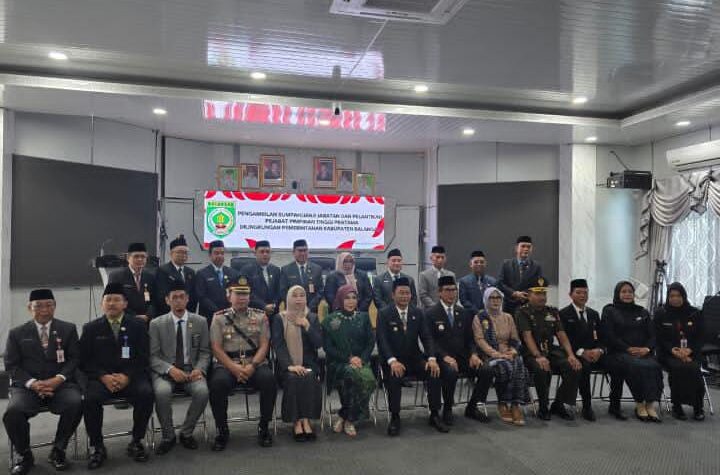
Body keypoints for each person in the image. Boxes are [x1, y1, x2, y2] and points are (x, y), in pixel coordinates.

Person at [3, 289, 82, 474]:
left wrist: (58, 379)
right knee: (13, 413)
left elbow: (75, 359)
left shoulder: (68, 329)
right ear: (29, 307)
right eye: (38, 306)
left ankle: (58, 450)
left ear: (55, 306)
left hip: (60, 385)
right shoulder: (17, 333)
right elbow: (11, 365)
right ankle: (25, 455)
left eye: (49, 305)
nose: (44, 310)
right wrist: (32, 383)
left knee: (76, 403)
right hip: (27, 388)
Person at [80, 283, 154, 469]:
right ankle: (97, 446)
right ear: (102, 304)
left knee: (146, 393)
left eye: (116, 300)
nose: (112, 303)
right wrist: (103, 376)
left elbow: (144, 357)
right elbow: (84, 361)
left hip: (131, 376)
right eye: (108, 300)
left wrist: (127, 376)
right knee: (90, 399)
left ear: (125, 304)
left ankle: (136, 441)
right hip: (101, 379)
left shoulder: (137, 325)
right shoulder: (91, 328)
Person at [208, 277, 276, 450]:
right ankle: (222, 430)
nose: (242, 298)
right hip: (227, 364)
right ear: (228, 296)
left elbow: (264, 345)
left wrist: (252, 366)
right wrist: (234, 368)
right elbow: (216, 348)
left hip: (255, 362)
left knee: (269, 380)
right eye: (238, 294)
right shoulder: (218, 318)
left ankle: (264, 427)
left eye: (245, 294)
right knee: (217, 384)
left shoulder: (260, 316)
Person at [376, 277, 446, 436]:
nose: (404, 296)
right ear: (393, 295)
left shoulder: (418, 312)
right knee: (394, 376)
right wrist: (392, 361)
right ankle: (395, 417)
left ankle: (435, 414)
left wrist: (432, 358)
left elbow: (427, 337)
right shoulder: (384, 313)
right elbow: (382, 340)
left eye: (407, 293)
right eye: (401, 293)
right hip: (393, 360)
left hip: (414, 359)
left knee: (434, 371)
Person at [149, 281, 211, 454]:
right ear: (167, 300)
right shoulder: (156, 324)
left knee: (202, 392)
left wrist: (200, 369)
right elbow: (152, 356)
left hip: (191, 370)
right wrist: (170, 370)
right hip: (165, 372)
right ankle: (168, 436)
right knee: (162, 393)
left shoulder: (200, 321)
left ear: (188, 299)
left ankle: (186, 432)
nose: (178, 300)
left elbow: (205, 352)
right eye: (174, 297)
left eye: (181, 297)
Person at [425, 276, 492, 424]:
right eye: (447, 290)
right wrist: (444, 356)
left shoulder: (463, 312)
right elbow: (429, 341)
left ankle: (472, 407)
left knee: (486, 370)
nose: (452, 293)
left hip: (462, 356)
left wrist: (473, 354)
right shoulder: (430, 313)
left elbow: (470, 339)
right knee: (450, 372)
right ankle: (448, 408)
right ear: (439, 293)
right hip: (442, 357)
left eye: (454, 290)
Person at [515, 277, 581, 421]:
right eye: (538, 294)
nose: (542, 297)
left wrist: (571, 355)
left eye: (544, 293)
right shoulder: (523, 312)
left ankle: (558, 404)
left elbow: (562, 335)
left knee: (574, 366)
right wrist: (538, 356)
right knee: (542, 369)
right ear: (528, 295)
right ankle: (543, 407)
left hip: (550, 350)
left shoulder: (552, 311)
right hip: (531, 352)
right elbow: (527, 336)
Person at [602, 280, 664, 423]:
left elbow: (653, 335)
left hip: (643, 352)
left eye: (630, 292)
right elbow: (609, 336)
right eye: (623, 292)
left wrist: (646, 349)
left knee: (654, 366)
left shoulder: (642, 312)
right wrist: (627, 348)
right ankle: (640, 403)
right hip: (618, 352)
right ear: (617, 294)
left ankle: (650, 404)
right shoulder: (610, 310)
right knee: (636, 365)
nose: (627, 294)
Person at [322, 285, 376, 437]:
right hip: (338, 363)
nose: (351, 301)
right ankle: (350, 419)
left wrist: (361, 359)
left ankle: (344, 416)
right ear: (340, 299)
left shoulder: (364, 317)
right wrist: (348, 359)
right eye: (347, 298)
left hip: (360, 362)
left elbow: (370, 342)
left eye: (354, 298)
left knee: (367, 379)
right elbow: (328, 347)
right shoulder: (330, 320)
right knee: (350, 375)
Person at [271, 285, 323, 441]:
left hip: (309, 364)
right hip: (288, 365)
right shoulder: (279, 318)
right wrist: (290, 366)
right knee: (294, 378)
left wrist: (307, 326)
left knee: (309, 376)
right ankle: (296, 422)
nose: (299, 299)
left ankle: (306, 420)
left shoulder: (312, 317)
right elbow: (278, 345)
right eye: (295, 296)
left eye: (302, 295)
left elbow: (318, 344)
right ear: (288, 299)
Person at [473, 287, 529, 426]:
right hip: (488, 355)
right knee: (506, 366)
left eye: (498, 298)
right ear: (486, 300)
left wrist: (513, 351)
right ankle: (503, 403)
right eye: (492, 298)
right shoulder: (479, 317)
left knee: (519, 363)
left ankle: (515, 405)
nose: (495, 301)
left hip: (508, 353)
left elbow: (515, 338)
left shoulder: (508, 317)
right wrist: (497, 354)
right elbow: (479, 340)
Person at [654, 282, 705, 421]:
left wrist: (690, 350)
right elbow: (658, 338)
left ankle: (698, 407)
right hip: (668, 353)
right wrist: (673, 350)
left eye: (678, 295)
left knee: (694, 367)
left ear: (684, 296)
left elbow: (701, 337)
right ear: (668, 297)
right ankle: (677, 407)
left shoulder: (694, 313)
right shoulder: (661, 313)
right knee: (678, 367)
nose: (675, 299)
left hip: (691, 352)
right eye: (672, 296)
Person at [558, 279, 604, 422]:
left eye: (585, 292)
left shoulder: (594, 314)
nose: (582, 295)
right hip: (574, 353)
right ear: (570, 294)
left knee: (616, 363)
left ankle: (615, 404)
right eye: (578, 292)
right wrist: (581, 352)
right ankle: (587, 406)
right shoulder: (563, 314)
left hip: (594, 353)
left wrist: (599, 350)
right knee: (584, 366)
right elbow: (564, 339)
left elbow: (602, 336)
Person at [108, 242, 156, 322]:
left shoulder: (150, 277)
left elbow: (154, 300)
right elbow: (114, 300)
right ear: (128, 258)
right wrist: (134, 317)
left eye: (143, 256)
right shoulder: (116, 276)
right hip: (125, 321)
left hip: (146, 321)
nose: (140, 259)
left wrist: (148, 315)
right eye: (136, 256)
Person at [195, 240, 239, 324]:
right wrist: (218, 312)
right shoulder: (202, 273)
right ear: (210, 255)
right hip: (209, 317)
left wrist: (229, 311)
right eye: (216, 253)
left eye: (222, 253)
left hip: (229, 316)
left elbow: (235, 294)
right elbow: (202, 297)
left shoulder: (233, 273)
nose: (220, 256)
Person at [497, 236, 543, 316]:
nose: (526, 249)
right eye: (523, 246)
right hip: (509, 306)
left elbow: (537, 285)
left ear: (532, 249)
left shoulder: (536, 266)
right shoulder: (506, 264)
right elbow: (500, 283)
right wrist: (514, 293)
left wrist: (524, 294)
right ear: (516, 248)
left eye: (528, 247)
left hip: (528, 306)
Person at [155, 235, 197, 316]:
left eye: (185, 253)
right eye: (180, 252)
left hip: (187, 315)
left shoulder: (190, 272)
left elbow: (193, 297)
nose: (183, 255)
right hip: (168, 314)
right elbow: (161, 296)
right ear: (171, 253)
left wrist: (188, 313)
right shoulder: (163, 271)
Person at [278, 239, 324, 313]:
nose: (303, 253)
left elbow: (320, 291)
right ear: (293, 252)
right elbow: (283, 292)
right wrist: (295, 305)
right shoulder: (286, 270)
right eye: (300, 251)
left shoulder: (317, 269)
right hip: (292, 311)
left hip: (311, 310)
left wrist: (310, 307)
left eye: (305, 250)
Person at [240, 240, 281, 320]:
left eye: (267, 252)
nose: (265, 254)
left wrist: (274, 305)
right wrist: (263, 306)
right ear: (255, 253)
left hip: (273, 314)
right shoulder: (246, 270)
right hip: (254, 314)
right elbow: (246, 292)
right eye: (262, 252)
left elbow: (279, 291)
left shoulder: (276, 270)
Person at [458, 250, 498, 314]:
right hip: (471, 315)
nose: (479, 264)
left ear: (485, 264)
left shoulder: (492, 281)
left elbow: (496, 299)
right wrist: (477, 311)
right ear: (470, 264)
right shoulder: (464, 281)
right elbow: (464, 301)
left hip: (490, 314)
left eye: (482, 262)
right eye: (476, 262)